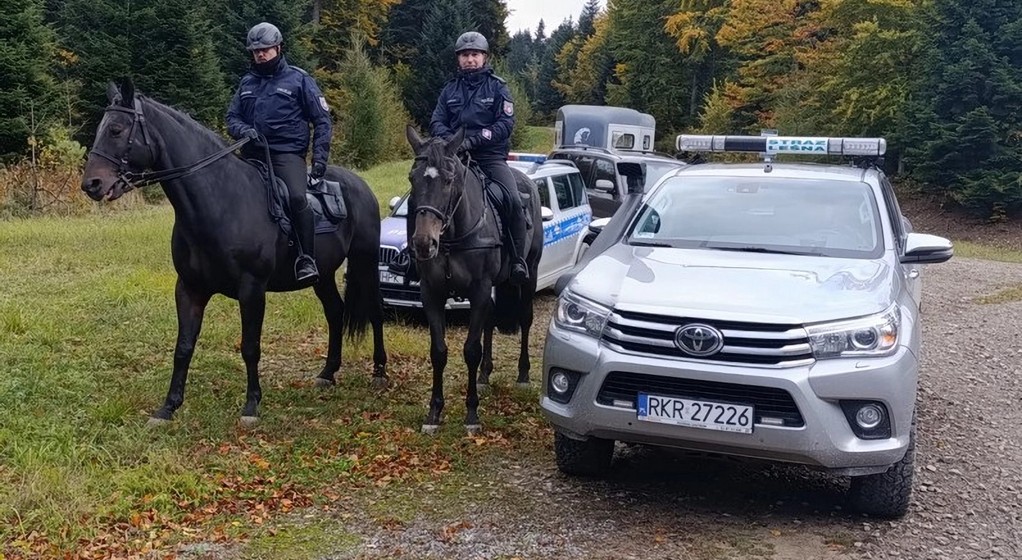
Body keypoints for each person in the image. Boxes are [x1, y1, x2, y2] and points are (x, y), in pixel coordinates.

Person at [393, 31, 528, 285]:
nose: (469, 59)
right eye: (465, 55)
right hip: (452, 156)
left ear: (484, 57)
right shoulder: (449, 90)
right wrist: (451, 142)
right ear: (459, 59)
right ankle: (412, 258)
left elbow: (505, 123)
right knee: (418, 197)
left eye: (474, 54)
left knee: (511, 199)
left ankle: (517, 259)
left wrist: (474, 140)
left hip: (489, 158)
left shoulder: (498, 88)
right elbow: (437, 120)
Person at [226, 22, 332, 286]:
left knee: (297, 197)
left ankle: (306, 258)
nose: (260, 54)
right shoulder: (247, 82)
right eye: (256, 51)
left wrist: (319, 160)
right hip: (252, 154)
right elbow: (232, 117)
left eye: (265, 49)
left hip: (287, 155)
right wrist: (244, 131)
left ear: (278, 48)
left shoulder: (299, 80)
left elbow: (322, 120)